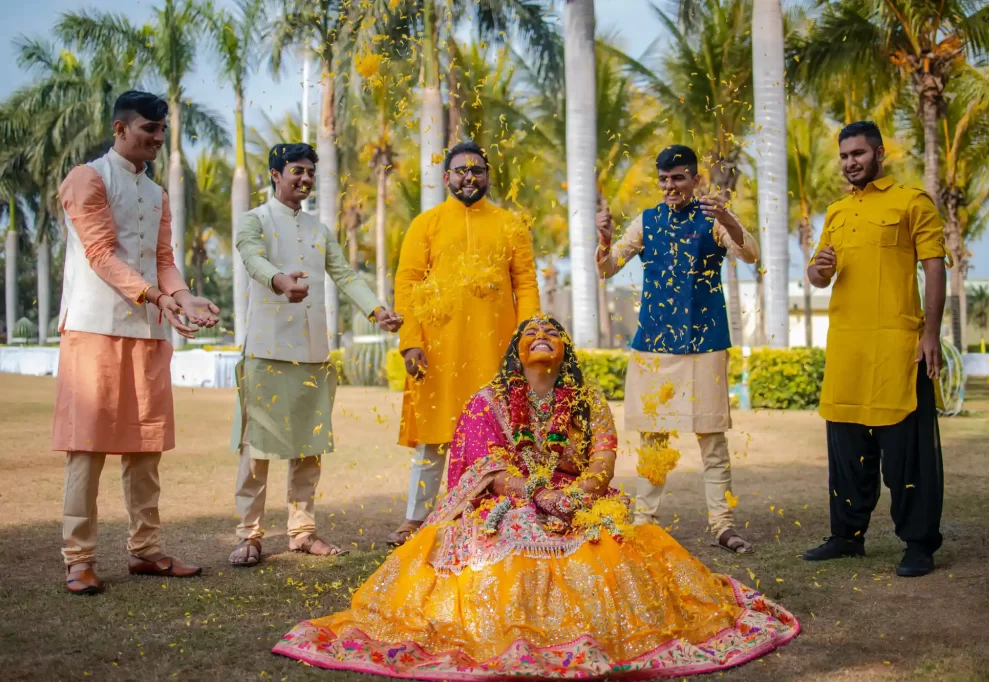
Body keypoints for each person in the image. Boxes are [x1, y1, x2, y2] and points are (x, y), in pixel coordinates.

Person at [272, 316, 799, 678]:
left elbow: (605, 456)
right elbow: (485, 464)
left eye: (552, 331)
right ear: (516, 350)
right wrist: (534, 493)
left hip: (579, 498)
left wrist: (581, 493)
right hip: (509, 500)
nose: (542, 335)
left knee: (614, 537)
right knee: (511, 534)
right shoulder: (489, 400)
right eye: (532, 332)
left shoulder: (589, 398)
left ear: (565, 349)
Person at [55, 90, 219, 594]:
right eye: (149, 129)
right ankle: (78, 559)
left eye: (162, 130)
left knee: (146, 447)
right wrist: (154, 296)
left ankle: (145, 550)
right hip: (94, 328)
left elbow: (164, 258)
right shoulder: (88, 178)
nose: (157, 138)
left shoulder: (157, 193)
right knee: (88, 448)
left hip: (147, 330)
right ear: (119, 129)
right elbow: (101, 253)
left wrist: (184, 297)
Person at [229, 143, 402, 566]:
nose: (304, 179)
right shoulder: (253, 221)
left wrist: (376, 309)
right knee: (257, 449)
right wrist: (279, 281)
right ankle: (249, 535)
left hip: (312, 351)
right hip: (267, 350)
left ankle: (303, 532)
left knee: (309, 448)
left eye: (309, 173)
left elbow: (343, 273)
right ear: (275, 174)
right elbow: (252, 259)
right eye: (296, 171)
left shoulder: (319, 230)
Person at [595, 145, 759, 553]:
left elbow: (750, 254)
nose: (671, 186)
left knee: (712, 438)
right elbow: (608, 267)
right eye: (665, 179)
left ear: (695, 180)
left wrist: (727, 218)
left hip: (706, 340)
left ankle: (722, 524)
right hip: (654, 343)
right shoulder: (647, 222)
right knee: (653, 438)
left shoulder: (713, 219)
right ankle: (645, 522)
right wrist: (603, 241)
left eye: (679, 178)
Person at [802, 121, 946, 578]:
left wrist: (930, 334)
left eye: (859, 154)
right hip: (847, 349)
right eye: (844, 156)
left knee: (908, 451)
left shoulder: (911, 202)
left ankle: (919, 543)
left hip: (898, 347)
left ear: (879, 153)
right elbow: (819, 274)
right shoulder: (837, 212)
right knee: (846, 449)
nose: (851, 163)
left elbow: (935, 269)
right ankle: (847, 536)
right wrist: (818, 270)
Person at [387, 141, 540, 546]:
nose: (468, 177)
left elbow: (525, 284)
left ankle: (502, 513)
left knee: (502, 435)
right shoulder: (426, 223)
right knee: (434, 436)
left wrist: (529, 340)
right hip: (439, 350)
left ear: (488, 176)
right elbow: (407, 285)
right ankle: (415, 519)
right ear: (446, 177)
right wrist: (411, 342)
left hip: (497, 351)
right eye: (460, 171)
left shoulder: (510, 225)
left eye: (476, 170)